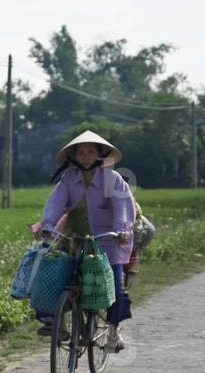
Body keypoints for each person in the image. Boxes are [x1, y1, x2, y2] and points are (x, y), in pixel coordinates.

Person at [32, 130, 135, 352]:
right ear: (75, 156)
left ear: (100, 154)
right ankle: (55, 321)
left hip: (108, 242)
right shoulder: (68, 179)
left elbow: (122, 210)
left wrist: (122, 230)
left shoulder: (113, 180)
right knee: (53, 275)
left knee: (114, 288)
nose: (86, 156)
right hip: (76, 240)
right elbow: (55, 203)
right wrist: (46, 226)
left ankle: (113, 329)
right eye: (81, 152)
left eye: (91, 151)